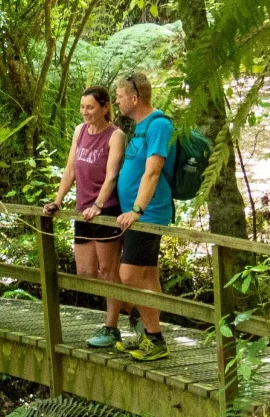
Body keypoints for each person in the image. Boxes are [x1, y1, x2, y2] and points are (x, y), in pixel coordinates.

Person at [43, 87, 132, 349]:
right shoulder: (79, 131)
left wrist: (99, 204)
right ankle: (135, 310)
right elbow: (71, 169)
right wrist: (58, 201)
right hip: (83, 210)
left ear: (105, 107)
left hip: (106, 210)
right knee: (85, 272)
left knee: (108, 270)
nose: (85, 112)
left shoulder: (115, 135)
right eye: (82, 107)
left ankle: (112, 327)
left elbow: (111, 174)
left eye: (90, 107)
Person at [112, 72, 174, 361]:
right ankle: (149, 335)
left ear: (134, 99)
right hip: (137, 216)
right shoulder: (138, 126)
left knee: (129, 275)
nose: (116, 100)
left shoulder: (158, 125)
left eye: (120, 96)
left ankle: (155, 338)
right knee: (147, 275)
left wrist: (137, 210)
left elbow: (153, 170)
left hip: (148, 215)